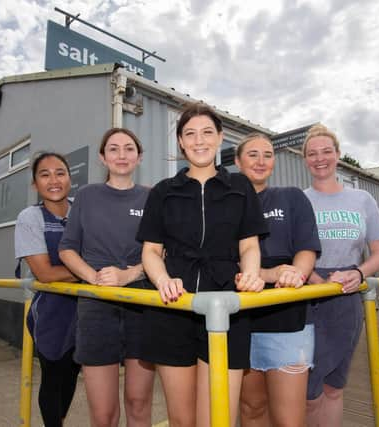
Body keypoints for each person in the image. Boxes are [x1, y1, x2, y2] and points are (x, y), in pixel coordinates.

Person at [137, 103, 269, 427]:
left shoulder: (240, 187)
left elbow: (249, 245)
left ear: (220, 138)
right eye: (190, 133)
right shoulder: (163, 192)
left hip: (227, 306)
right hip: (174, 306)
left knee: (217, 420)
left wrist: (250, 273)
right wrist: (163, 280)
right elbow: (151, 251)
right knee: (182, 421)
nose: (199, 140)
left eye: (207, 132)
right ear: (181, 142)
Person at [58, 128, 155, 427]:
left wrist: (129, 274)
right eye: (113, 149)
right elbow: (67, 249)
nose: (122, 155)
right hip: (97, 309)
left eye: (129, 149)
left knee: (138, 405)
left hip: (142, 304)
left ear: (139, 157)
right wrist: (94, 278)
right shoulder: (87, 196)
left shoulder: (152, 197)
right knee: (103, 414)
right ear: (103, 157)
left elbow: (161, 252)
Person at [302, 124, 379, 426]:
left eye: (327, 151)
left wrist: (358, 273)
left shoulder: (362, 200)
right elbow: (291, 253)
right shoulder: (299, 200)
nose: (320, 158)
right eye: (312, 153)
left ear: (338, 155)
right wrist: (317, 282)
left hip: (348, 296)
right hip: (309, 296)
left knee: (334, 386)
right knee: (309, 392)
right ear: (305, 160)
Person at [235, 133, 321, 427]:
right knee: (251, 408)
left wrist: (296, 273)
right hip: (241, 319)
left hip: (288, 317)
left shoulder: (291, 197)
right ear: (237, 161)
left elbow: (307, 249)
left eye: (268, 155)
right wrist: (269, 274)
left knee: (289, 419)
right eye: (253, 154)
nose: (261, 161)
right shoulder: (225, 207)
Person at [14, 152, 80, 427]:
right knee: (53, 374)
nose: (54, 180)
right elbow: (45, 273)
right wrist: (92, 272)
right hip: (51, 311)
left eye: (60, 173)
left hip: (85, 306)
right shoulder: (30, 217)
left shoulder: (82, 209)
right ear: (35, 184)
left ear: (69, 178)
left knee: (72, 373)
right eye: (45, 174)